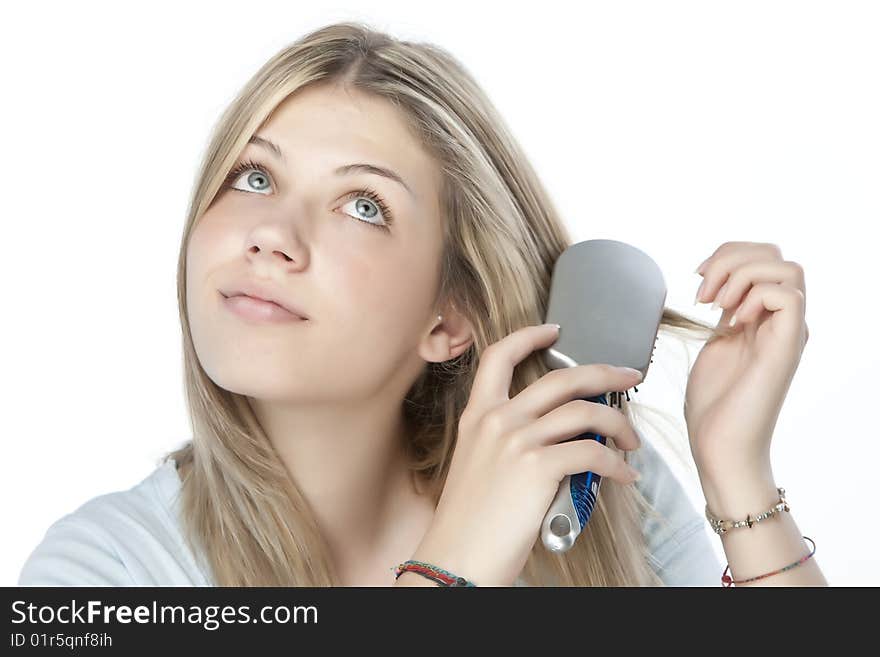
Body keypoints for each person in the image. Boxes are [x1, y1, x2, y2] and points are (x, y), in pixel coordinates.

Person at [18, 21, 822, 587]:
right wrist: (455, 569)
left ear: (450, 318)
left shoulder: (589, 487)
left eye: (362, 203)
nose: (271, 234)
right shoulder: (105, 570)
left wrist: (737, 475)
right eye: (256, 177)